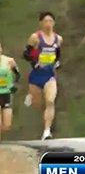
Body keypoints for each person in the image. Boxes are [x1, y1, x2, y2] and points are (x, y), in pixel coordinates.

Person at [23, 12, 63, 140]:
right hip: (36, 76)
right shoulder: (35, 37)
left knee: (50, 101)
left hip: (49, 75)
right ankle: (30, 94)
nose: (48, 24)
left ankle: (47, 131)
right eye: (45, 21)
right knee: (38, 105)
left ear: (54, 23)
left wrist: (57, 62)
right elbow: (25, 54)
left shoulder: (58, 39)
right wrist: (35, 63)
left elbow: (57, 53)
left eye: (50, 21)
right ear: (41, 23)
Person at [0, 43, 20, 141]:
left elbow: (17, 75)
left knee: (6, 125)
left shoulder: (9, 61)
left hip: (6, 93)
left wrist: (13, 85)